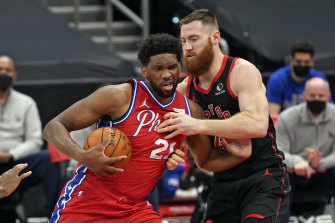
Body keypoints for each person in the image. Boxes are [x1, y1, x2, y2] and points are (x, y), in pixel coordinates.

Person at [42, 33, 250, 223]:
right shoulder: (119, 96)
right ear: (145, 71)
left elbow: (206, 160)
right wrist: (83, 156)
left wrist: (239, 156)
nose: (167, 74)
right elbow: (53, 127)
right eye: (158, 69)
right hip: (86, 205)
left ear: (180, 67)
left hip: (133, 210)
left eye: (172, 67)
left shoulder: (191, 112)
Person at [157, 9, 290, 223]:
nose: (187, 47)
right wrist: (170, 156)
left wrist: (198, 126)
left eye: (194, 39)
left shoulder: (241, 71)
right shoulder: (184, 91)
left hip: (263, 178)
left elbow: (257, 125)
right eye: (183, 41)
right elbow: (202, 161)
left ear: (215, 37)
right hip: (223, 181)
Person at [0, 55, 60, 218]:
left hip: (16, 162)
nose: (3, 73)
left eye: (7, 70)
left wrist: (11, 155)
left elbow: (34, 140)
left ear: (14, 75)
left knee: (49, 159)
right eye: (0, 70)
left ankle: (55, 217)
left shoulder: (26, 103)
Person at [276, 77, 335, 220]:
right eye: (312, 95)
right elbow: (278, 151)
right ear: (304, 96)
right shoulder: (287, 118)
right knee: (277, 177)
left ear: (328, 96)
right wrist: (297, 162)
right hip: (294, 173)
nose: (317, 99)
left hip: (326, 171)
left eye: (321, 96)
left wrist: (322, 164)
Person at [266, 41, 332, 115]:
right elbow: (273, 115)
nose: (302, 65)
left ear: (312, 62)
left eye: (306, 62)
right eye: (298, 62)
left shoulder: (319, 80)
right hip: (285, 124)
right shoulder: (277, 79)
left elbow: (330, 111)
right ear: (291, 61)